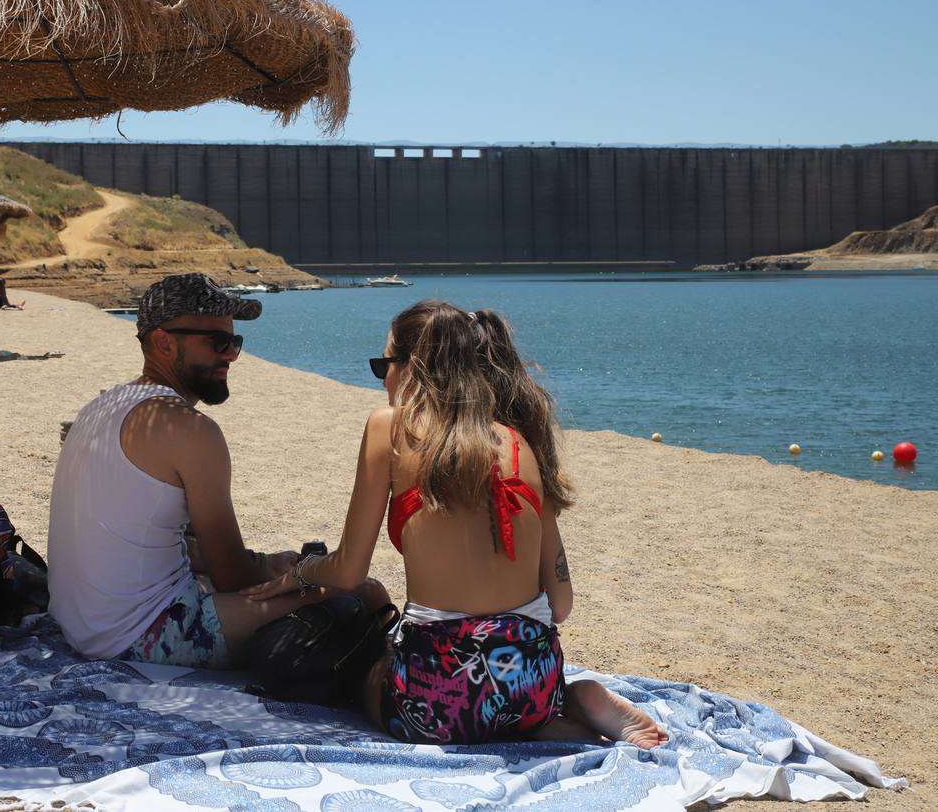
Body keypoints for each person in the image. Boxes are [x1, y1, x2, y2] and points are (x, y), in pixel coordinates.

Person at [245, 300, 668, 748]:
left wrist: (301, 572)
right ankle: (567, 704)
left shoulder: (390, 427)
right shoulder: (521, 441)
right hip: (534, 683)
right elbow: (560, 605)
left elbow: (348, 570)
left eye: (383, 364)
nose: (383, 379)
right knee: (501, 701)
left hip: (436, 705)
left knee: (365, 672)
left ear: (413, 367)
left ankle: (539, 711)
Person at [46, 272, 388, 669]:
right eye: (218, 342)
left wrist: (268, 563)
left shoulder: (101, 408)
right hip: (136, 636)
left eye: (235, 342)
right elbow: (234, 579)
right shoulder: (191, 431)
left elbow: (143, 540)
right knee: (366, 592)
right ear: (163, 343)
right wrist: (300, 575)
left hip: (78, 623)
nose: (231, 355)